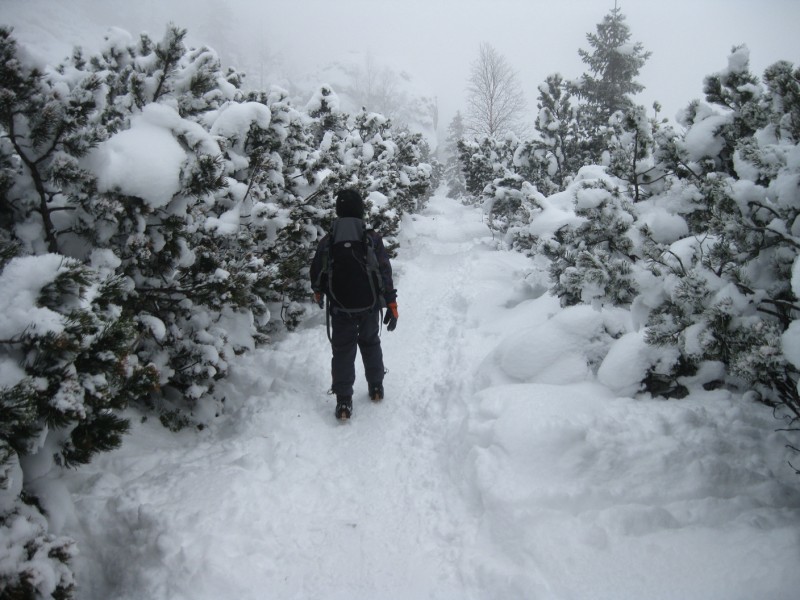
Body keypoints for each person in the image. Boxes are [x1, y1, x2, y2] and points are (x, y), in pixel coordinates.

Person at [310, 189, 398, 420]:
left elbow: (317, 271)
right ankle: (376, 386)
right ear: (360, 211)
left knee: (342, 352)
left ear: (338, 211)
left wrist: (319, 292)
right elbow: (384, 271)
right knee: (370, 344)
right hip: (369, 307)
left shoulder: (328, 241)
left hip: (340, 309)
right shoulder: (372, 238)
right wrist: (391, 303)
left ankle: (343, 401)